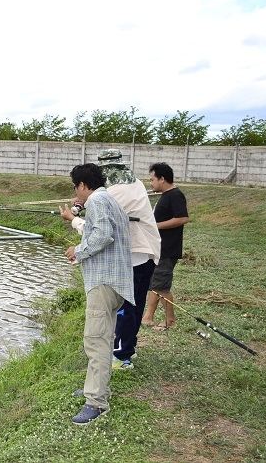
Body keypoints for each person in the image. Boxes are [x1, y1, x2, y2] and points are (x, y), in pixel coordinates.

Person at [60, 150, 160, 370]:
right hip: (146, 251)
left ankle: (121, 355)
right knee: (134, 304)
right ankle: (127, 350)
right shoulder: (134, 184)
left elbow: (102, 233)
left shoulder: (111, 194)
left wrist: (74, 220)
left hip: (131, 254)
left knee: (125, 307)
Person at [63, 163, 134, 425]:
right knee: (101, 337)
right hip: (111, 281)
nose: (75, 192)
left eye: (75, 187)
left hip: (104, 282)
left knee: (96, 340)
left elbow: (103, 235)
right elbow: (99, 233)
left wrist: (78, 252)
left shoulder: (98, 201)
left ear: (82, 185)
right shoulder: (106, 199)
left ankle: (96, 402)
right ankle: (94, 387)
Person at [141, 162, 189, 329]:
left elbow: (182, 218)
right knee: (157, 284)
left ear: (162, 179)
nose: (151, 183)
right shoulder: (165, 195)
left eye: (152, 179)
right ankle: (160, 319)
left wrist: (156, 226)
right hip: (159, 248)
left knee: (160, 285)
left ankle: (163, 319)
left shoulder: (175, 195)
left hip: (168, 249)